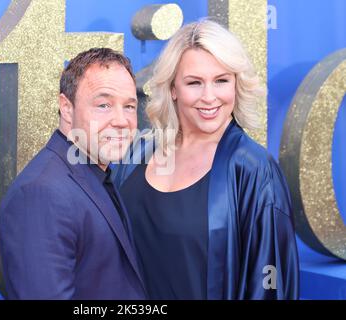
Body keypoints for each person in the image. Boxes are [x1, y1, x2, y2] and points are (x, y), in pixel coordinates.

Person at [115, 20, 299, 299]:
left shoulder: (254, 170)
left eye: (221, 80)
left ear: (236, 85)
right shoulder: (136, 155)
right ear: (173, 88)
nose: (209, 97)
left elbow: (271, 285)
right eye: (194, 83)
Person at [0, 48, 146, 299]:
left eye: (129, 106)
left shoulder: (96, 172)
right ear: (66, 108)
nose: (122, 120)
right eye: (103, 105)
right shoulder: (40, 194)